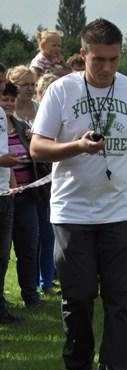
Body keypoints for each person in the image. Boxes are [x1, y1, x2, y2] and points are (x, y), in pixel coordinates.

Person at [30, 18, 127, 370]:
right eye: (98, 59)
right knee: (77, 299)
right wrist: (76, 146)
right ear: (83, 55)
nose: (107, 67)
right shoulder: (61, 91)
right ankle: (79, 362)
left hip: (120, 213)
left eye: (113, 59)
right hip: (71, 212)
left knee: (120, 299)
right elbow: (38, 148)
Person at [2, 82, 44, 308]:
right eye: (4, 98)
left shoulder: (21, 125)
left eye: (11, 99)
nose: (8, 103)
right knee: (3, 253)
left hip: (27, 196)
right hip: (5, 195)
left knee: (29, 247)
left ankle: (31, 295)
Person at [0, 65, 23, 324]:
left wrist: (12, 178)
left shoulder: (1, 114)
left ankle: (0, 308)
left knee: (3, 255)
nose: (3, 85)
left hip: (5, 193)